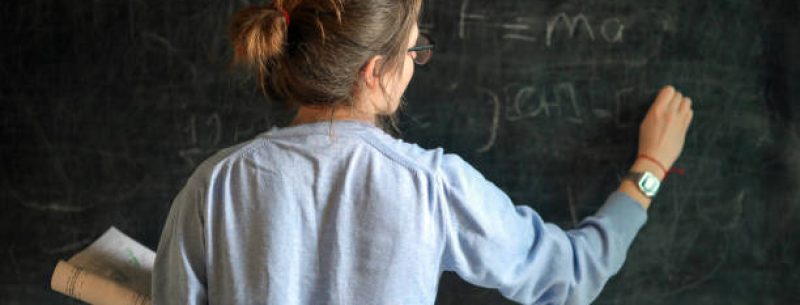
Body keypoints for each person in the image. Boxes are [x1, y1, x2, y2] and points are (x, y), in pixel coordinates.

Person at [152, 0, 694, 304]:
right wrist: (649, 169)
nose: (416, 60)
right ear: (374, 72)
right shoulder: (432, 187)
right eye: (415, 48)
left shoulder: (214, 186)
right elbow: (571, 274)